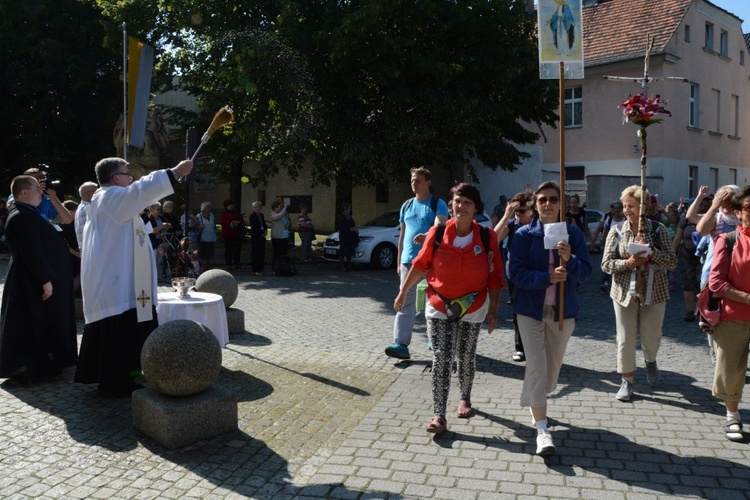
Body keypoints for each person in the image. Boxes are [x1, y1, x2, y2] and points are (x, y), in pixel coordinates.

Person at [75, 157, 193, 397]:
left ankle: (122, 377)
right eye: (126, 173)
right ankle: (113, 383)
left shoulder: (109, 199)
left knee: (124, 332)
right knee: (117, 334)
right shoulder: (110, 196)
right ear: (115, 178)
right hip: (117, 284)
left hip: (122, 282)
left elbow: (137, 219)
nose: (130, 178)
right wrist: (174, 172)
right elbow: (141, 190)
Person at [394, 183, 504, 434]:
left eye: (467, 202)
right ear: (451, 205)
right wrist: (403, 292)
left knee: (466, 356)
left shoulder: (486, 237)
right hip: (439, 304)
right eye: (457, 201)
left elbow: (496, 276)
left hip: (473, 306)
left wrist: (494, 309)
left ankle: (465, 397)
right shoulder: (438, 232)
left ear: (476, 208)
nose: (461, 206)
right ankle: (439, 414)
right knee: (441, 357)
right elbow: (421, 264)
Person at [508, 181, 592, 456]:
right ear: (535, 204)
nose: (547, 204)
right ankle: (542, 429)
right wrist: (547, 278)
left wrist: (571, 260)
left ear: (561, 204)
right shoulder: (522, 235)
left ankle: (535, 399)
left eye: (553, 199)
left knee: (550, 371)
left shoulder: (573, 235)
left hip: (562, 312)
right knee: (537, 365)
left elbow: (585, 275)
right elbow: (515, 273)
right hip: (529, 310)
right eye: (542, 199)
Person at [601, 185, 677, 403]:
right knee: (625, 338)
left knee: (650, 337)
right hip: (624, 292)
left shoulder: (658, 230)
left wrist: (651, 252)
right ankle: (627, 380)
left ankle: (650, 360)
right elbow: (606, 264)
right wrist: (628, 262)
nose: (627, 210)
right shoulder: (616, 231)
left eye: (632, 206)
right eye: (625, 206)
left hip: (654, 291)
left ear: (644, 208)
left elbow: (672, 262)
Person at [0, 175, 78, 382]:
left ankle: (51, 362)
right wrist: (46, 280)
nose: (41, 192)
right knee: (34, 325)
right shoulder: (21, 216)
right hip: (33, 282)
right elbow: (32, 252)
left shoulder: (30, 212)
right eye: (36, 188)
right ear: (24, 193)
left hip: (41, 279)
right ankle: (34, 366)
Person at [385, 167, 449, 360]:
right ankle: (401, 344)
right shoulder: (406, 205)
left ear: (428, 182)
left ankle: (434, 339)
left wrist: (428, 235)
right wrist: (398, 261)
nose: (414, 183)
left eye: (418, 180)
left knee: (434, 301)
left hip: (431, 261)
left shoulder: (437, 203)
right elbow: (402, 235)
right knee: (405, 302)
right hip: (408, 262)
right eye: (412, 180)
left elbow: (441, 224)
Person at [707, 185, 750, 442]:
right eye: (748, 208)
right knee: (731, 369)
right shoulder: (729, 240)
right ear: (738, 212)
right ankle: (732, 416)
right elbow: (716, 282)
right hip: (733, 317)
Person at [687, 184, 740, 364]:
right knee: (711, 314)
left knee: (734, 313)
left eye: (728, 199)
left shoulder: (743, 218)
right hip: (713, 273)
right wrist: (711, 203)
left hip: (738, 274)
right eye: (721, 198)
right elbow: (699, 227)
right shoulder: (716, 218)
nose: (725, 203)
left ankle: (733, 351)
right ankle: (714, 351)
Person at [494, 191, 536, 362]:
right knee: (518, 310)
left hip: (535, 273)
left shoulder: (538, 225)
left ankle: (536, 347)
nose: (519, 214)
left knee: (536, 310)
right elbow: (493, 238)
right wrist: (507, 215)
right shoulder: (512, 224)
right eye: (517, 211)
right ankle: (520, 348)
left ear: (532, 210)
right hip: (515, 275)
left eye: (522, 211)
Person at [673, 196, 710, 322]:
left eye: (701, 206)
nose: (700, 207)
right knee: (688, 285)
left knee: (702, 285)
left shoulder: (708, 219)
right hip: (686, 257)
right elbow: (677, 238)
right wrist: (672, 254)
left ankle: (701, 310)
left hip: (703, 258)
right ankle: (690, 310)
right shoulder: (684, 221)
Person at [593, 201, 625, 291]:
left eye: (619, 208)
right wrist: (603, 244)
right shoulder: (609, 219)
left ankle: (619, 283)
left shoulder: (625, 220)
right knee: (608, 262)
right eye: (615, 208)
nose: (617, 210)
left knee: (620, 263)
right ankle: (605, 281)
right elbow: (605, 232)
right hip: (611, 245)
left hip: (622, 245)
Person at [146, 202, 170, 282]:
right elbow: (152, 230)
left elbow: (170, 225)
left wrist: (166, 224)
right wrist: (162, 226)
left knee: (161, 261)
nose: (159, 211)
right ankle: (155, 278)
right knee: (155, 261)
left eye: (160, 209)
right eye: (157, 209)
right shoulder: (149, 218)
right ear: (151, 210)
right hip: (154, 243)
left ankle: (160, 276)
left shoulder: (161, 217)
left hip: (162, 242)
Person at [219, 200, 245, 269]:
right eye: (229, 205)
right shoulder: (223, 214)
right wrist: (232, 222)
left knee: (237, 250)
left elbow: (241, 221)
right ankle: (228, 264)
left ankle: (237, 263)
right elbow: (223, 222)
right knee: (228, 250)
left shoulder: (236, 213)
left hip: (237, 234)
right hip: (227, 234)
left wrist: (238, 223)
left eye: (231, 205)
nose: (231, 206)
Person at [75, 181, 98, 251]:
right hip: (92, 250)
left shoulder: (81, 208)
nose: (98, 194)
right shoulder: (88, 208)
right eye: (96, 191)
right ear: (87, 194)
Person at [268, 199, 290, 271]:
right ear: (275, 208)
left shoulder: (284, 214)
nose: (281, 208)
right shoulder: (272, 214)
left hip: (285, 236)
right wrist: (284, 208)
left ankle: (283, 266)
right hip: (277, 237)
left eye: (281, 207)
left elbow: (288, 222)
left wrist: (285, 210)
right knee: (277, 253)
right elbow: (278, 216)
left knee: (284, 253)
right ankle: (275, 267)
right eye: (279, 207)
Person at [337, 202, 358, 272]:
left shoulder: (349, 217)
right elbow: (342, 227)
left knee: (349, 251)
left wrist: (354, 230)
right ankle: (342, 266)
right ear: (345, 209)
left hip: (350, 237)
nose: (349, 210)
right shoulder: (341, 217)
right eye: (348, 208)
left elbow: (353, 224)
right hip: (344, 236)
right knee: (342, 251)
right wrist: (350, 229)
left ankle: (348, 265)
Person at [248, 201, 267, 275]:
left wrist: (265, 231)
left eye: (259, 207)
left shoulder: (261, 215)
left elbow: (264, 224)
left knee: (261, 253)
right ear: (253, 208)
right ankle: (255, 269)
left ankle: (261, 269)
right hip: (256, 236)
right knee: (255, 253)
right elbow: (254, 227)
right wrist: (260, 233)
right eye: (255, 207)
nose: (257, 208)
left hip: (262, 236)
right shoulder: (252, 216)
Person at [196, 202, 217, 271]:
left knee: (210, 252)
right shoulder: (199, 216)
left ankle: (208, 264)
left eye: (209, 207)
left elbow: (214, 224)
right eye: (207, 208)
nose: (209, 209)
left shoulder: (212, 215)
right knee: (202, 252)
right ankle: (203, 265)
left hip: (211, 235)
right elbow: (196, 226)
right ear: (204, 209)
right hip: (203, 236)